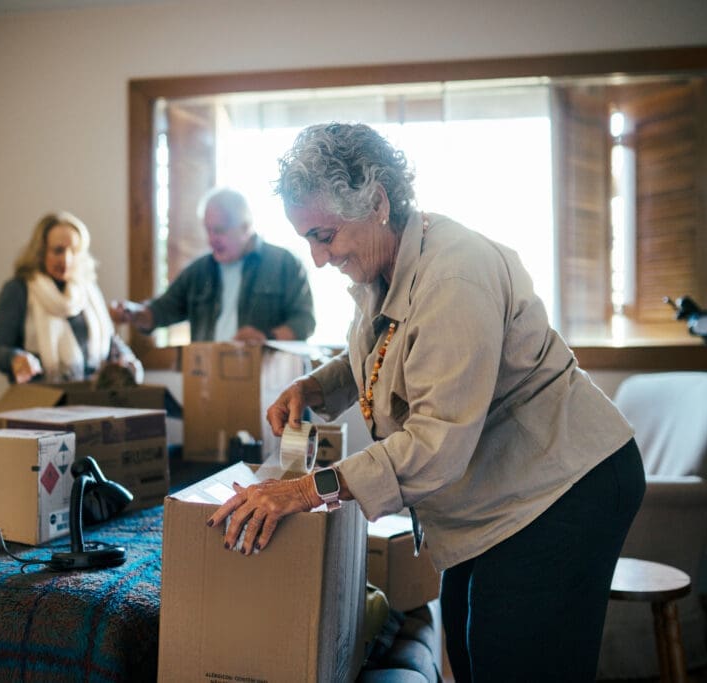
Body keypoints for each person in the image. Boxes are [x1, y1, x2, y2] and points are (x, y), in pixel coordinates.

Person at [207, 123, 645, 682]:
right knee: (471, 655)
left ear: (378, 202)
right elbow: (383, 355)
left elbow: (436, 443)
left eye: (325, 235)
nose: (318, 258)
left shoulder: (455, 277)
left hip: (562, 489)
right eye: (308, 241)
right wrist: (315, 387)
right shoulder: (383, 266)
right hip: (499, 494)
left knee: (515, 663)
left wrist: (304, 490)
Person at [110, 187, 316, 343]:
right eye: (208, 230)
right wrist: (134, 312)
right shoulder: (199, 271)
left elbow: (304, 321)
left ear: (245, 227)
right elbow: (162, 310)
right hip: (211, 380)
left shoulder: (284, 263)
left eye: (219, 231)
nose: (211, 239)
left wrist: (265, 337)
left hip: (269, 380)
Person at [0, 211, 143, 384]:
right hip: (39, 399)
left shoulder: (88, 290)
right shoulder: (18, 290)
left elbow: (110, 342)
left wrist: (127, 360)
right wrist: (15, 359)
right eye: (58, 251)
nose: (66, 260)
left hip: (91, 398)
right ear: (40, 252)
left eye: (74, 251)